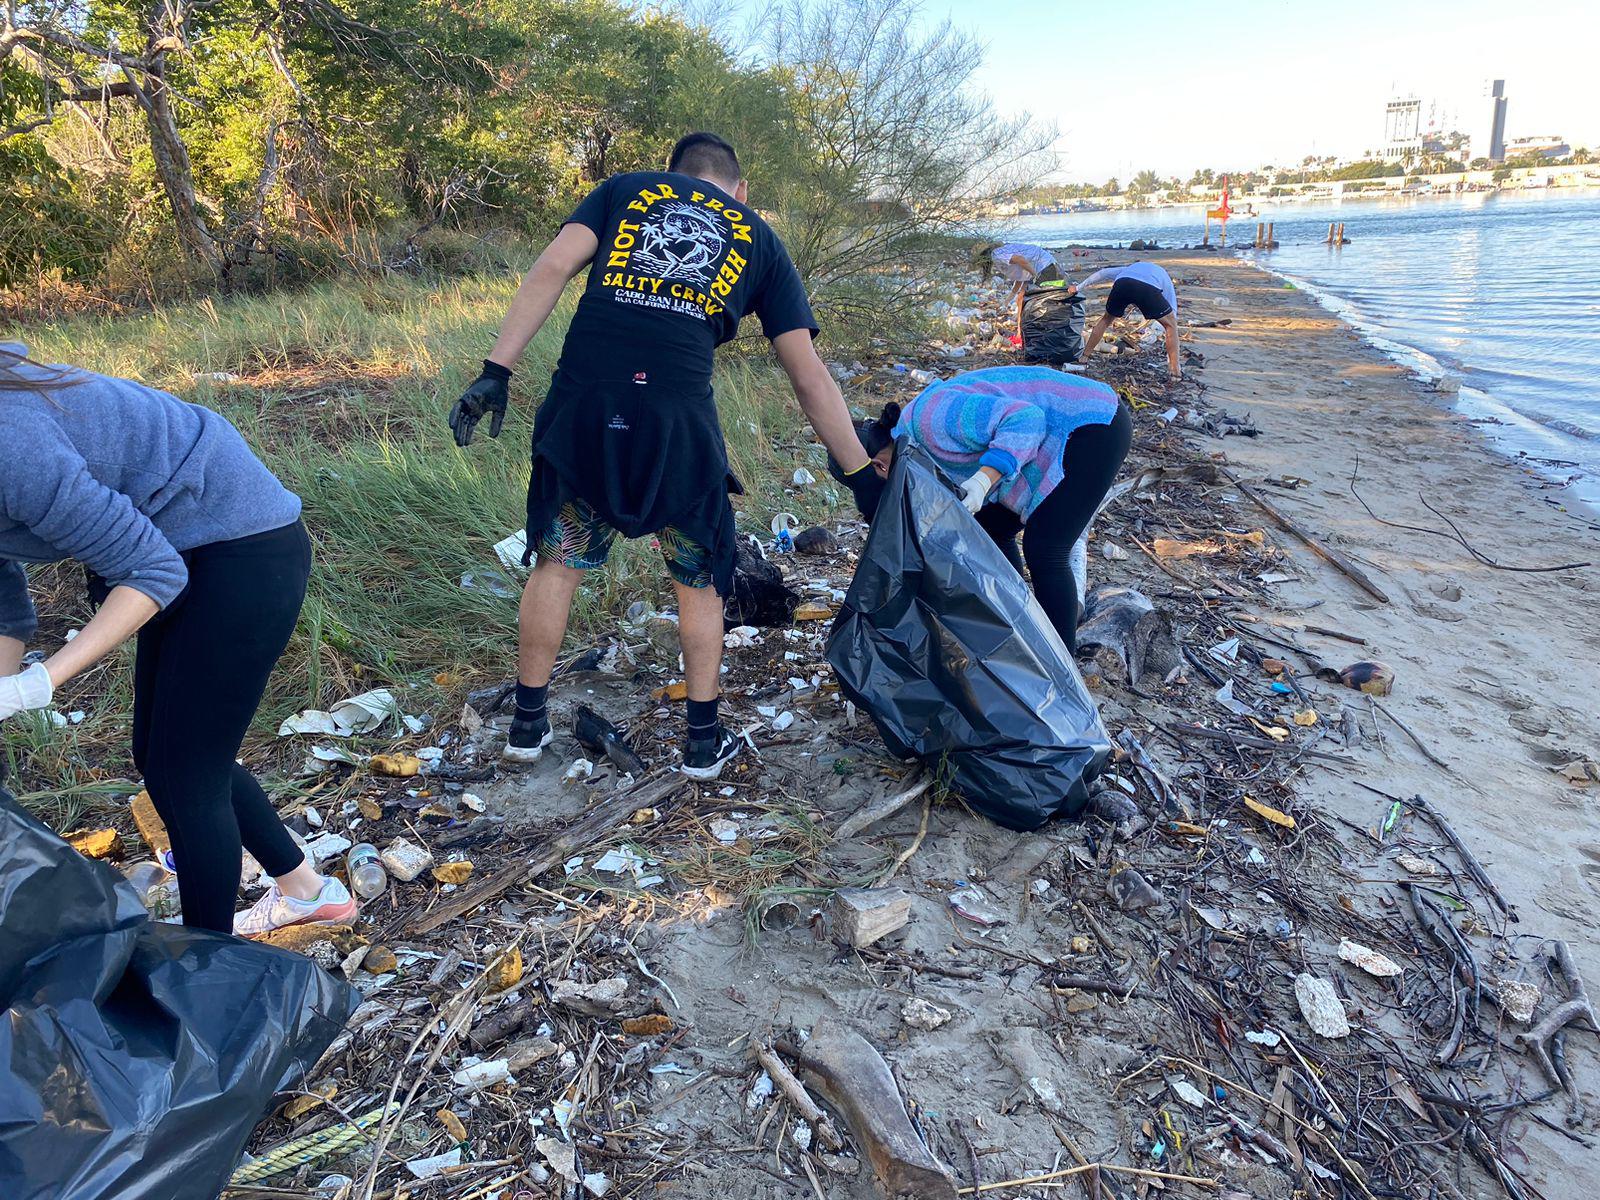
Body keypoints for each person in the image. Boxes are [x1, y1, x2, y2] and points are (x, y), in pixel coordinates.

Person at [449, 132, 881, 781]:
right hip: (676, 424)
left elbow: (551, 268)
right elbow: (807, 374)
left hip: (586, 409)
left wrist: (495, 371)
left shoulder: (626, 190)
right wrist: (856, 473)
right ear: (739, 190)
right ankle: (702, 745)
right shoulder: (757, 235)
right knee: (700, 581)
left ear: (672, 175)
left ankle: (527, 727)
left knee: (559, 563)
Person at [0, 345, 355, 938]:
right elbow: (6, 602)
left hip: (240, 546)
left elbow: (152, 573)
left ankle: (208, 977)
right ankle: (308, 893)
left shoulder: (12, 448)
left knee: (187, 777)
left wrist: (40, 682)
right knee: (170, 759)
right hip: (180, 544)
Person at [828, 365, 1132, 650]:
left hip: (1090, 425)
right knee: (989, 533)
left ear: (880, 467)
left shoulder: (928, 420)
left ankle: (1064, 679)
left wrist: (983, 481)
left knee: (1046, 549)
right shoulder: (913, 453)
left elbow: (1026, 419)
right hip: (1053, 441)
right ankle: (1019, 623)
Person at [1069, 260, 1182, 380]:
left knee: (1106, 319)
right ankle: (1175, 371)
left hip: (1122, 283)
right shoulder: (1164, 276)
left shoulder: (1128, 269)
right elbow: (1172, 309)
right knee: (1171, 326)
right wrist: (1170, 322)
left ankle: (1084, 357)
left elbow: (1102, 273)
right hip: (1148, 288)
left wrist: (1077, 287)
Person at [974, 241, 1062, 343]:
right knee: (1021, 299)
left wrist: (1035, 276)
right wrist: (1008, 300)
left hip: (1044, 266)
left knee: (1030, 301)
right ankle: (1022, 334)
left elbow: (1021, 260)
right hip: (1043, 265)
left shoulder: (997, 254)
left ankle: (1024, 334)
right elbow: (1021, 276)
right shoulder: (1002, 252)